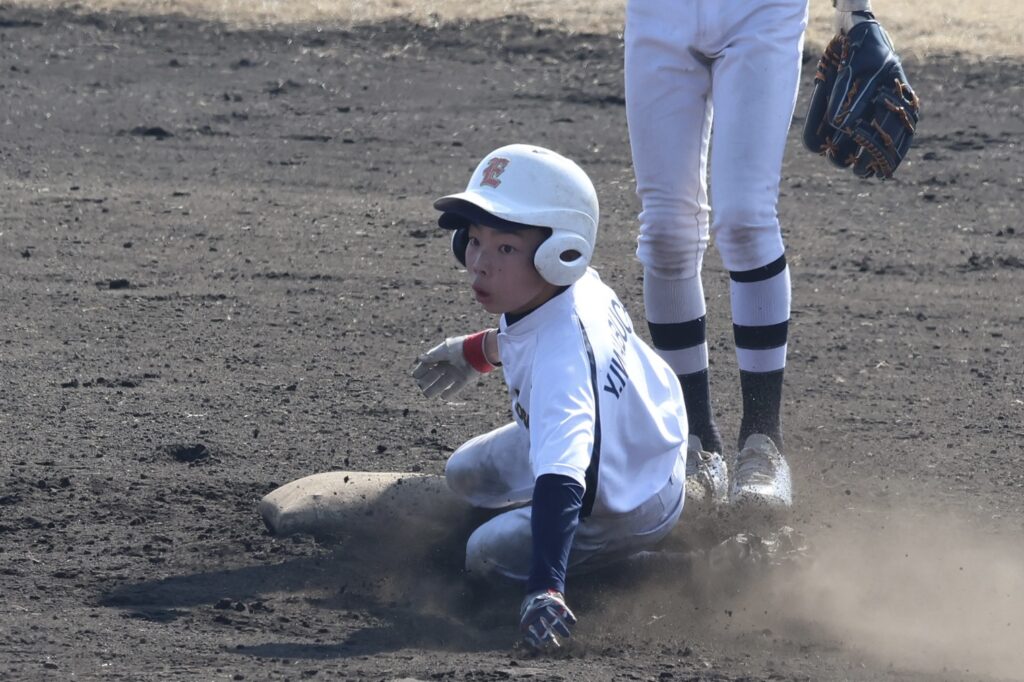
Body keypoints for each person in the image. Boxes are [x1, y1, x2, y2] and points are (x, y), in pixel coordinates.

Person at [412, 144, 726, 651]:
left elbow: (562, 481)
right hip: (642, 435)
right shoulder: (573, 287)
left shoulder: (563, 368)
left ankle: (665, 566)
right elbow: (530, 337)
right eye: (474, 240)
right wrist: (477, 350)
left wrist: (546, 588)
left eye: (505, 248)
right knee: (464, 473)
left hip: (629, 500)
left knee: (484, 556)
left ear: (559, 253)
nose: (479, 264)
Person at [623, 0, 882, 508]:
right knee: (667, 233)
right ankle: (695, 444)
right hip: (659, 12)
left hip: (761, 11)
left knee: (744, 218)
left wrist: (855, 8)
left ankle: (763, 442)